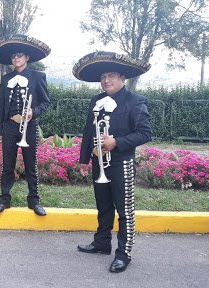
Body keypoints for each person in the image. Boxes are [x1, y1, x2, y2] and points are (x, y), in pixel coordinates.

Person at [73, 51, 152, 273]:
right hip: (99, 162)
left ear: (122, 78)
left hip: (121, 163)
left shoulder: (136, 101)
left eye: (112, 76)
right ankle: (101, 243)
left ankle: (123, 253)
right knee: (103, 206)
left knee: (124, 210)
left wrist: (117, 142)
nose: (106, 80)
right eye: (103, 77)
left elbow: (145, 133)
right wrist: (83, 159)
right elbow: (89, 132)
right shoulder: (96, 101)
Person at [0, 34, 51, 216]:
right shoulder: (5, 78)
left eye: (19, 55)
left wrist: (34, 112)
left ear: (27, 58)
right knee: (8, 165)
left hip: (29, 127)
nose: (16, 59)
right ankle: (4, 199)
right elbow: (0, 104)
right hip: (9, 126)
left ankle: (34, 200)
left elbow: (45, 102)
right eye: (13, 56)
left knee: (30, 165)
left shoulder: (38, 77)